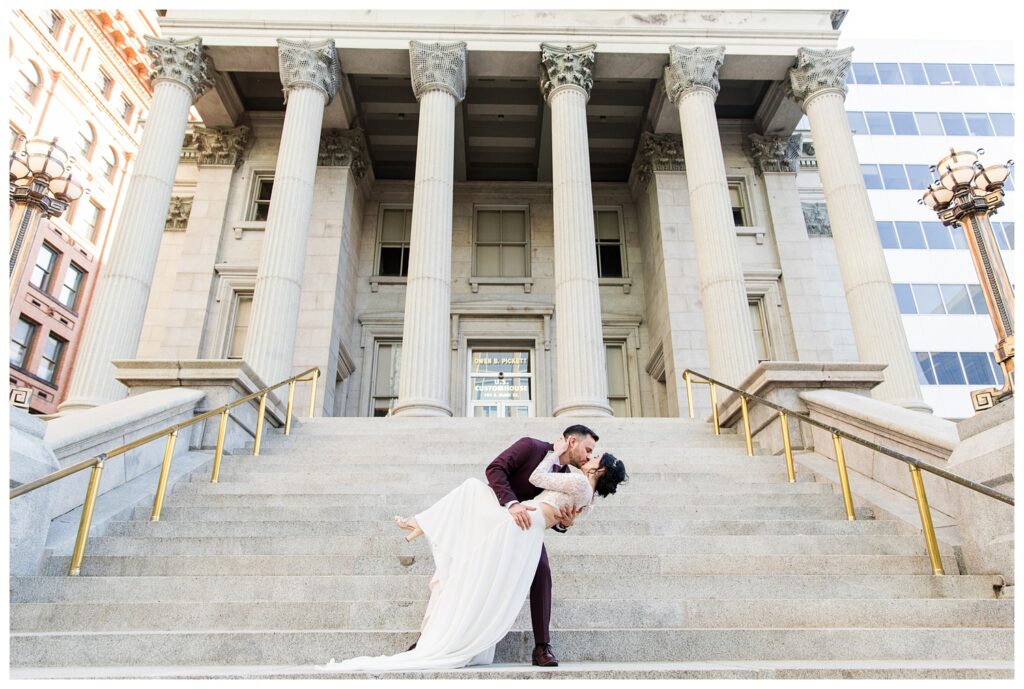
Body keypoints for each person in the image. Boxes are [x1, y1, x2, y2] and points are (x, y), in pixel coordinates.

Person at [319, 425, 628, 672]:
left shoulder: (570, 477)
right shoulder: (532, 447)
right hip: (499, 512)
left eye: (594, 454)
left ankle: (541, 646)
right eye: (588, 449)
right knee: (460, 550)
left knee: (541, 573)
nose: (589, 455)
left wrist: (564, 524)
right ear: (571, 441)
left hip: (525, 528)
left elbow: (558, 516)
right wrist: (511, 503)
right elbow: (495, 469)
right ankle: (433, 637)